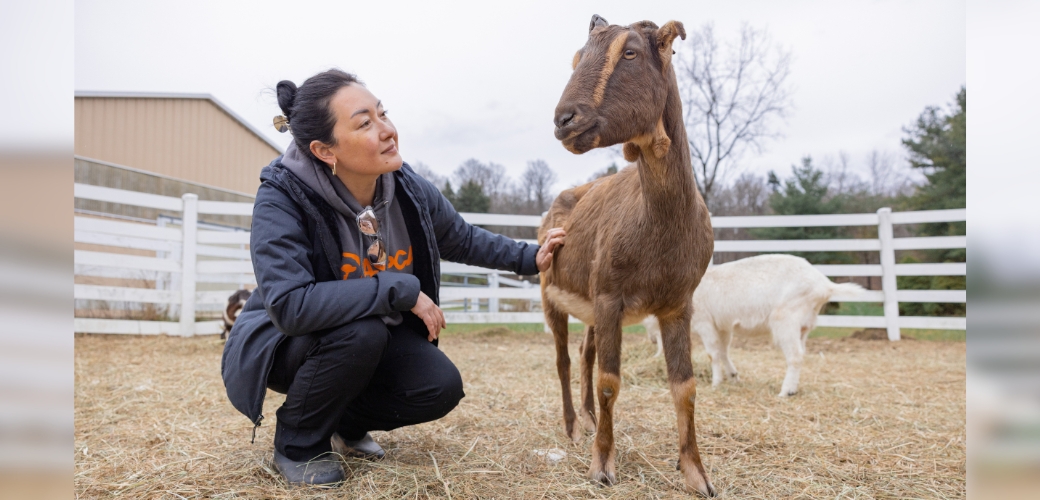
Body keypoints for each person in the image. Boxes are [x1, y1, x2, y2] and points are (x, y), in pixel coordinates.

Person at [220, 69, 566, 485]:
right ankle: (298, 444)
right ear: (324, 149)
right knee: (361, 332)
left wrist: (532, 257)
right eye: (365, 123)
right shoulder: (282, 197)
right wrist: (400, 289)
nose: (387, 130)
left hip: (370, 337)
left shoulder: (405, 186)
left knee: (439, 386)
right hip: (289, 342)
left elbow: (460, 237)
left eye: (383, 114)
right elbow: (291, 306)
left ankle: (341, 421)